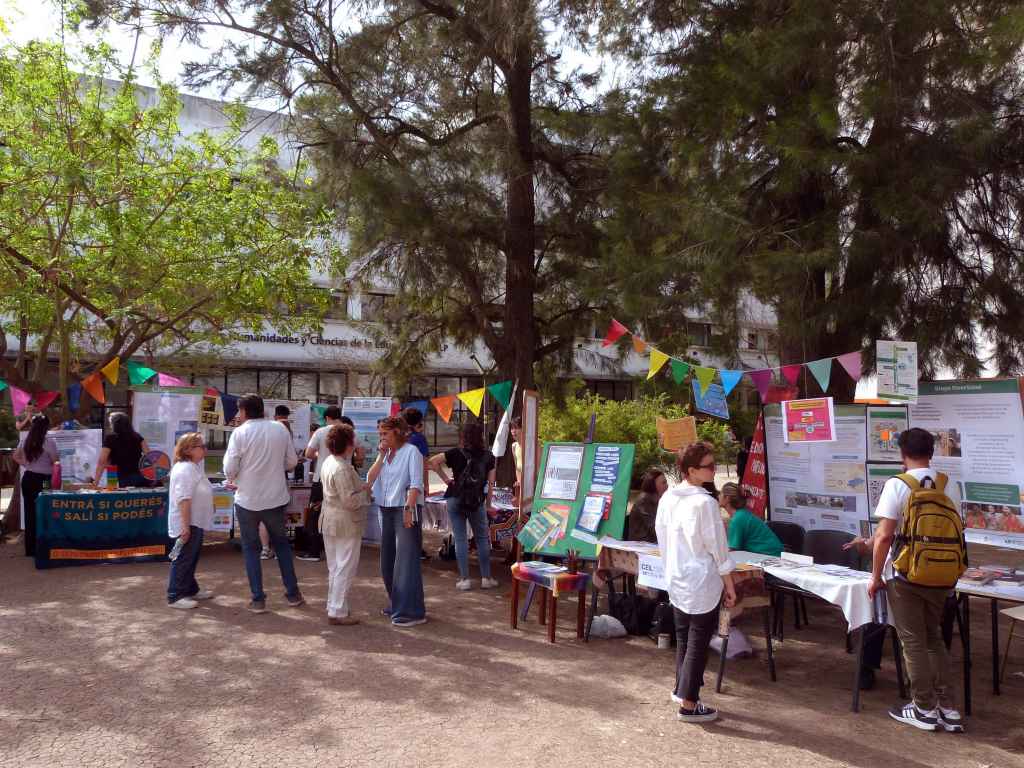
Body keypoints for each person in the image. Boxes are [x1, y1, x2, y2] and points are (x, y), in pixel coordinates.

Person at [862, 428, 964, 732]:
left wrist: (875, 576)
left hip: (906, 574)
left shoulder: (898, 484)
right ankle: (948, 708)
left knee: (913, 641)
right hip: (942, 573)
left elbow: (884, 536)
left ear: (903, 454)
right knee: (934, 638)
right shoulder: (949, 484)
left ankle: (923, 708)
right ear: (931, 452)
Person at [656, 442, 736, 724]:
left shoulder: (669, 498)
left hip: (677, 577)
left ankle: (683, 692)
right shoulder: (705, 503)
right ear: (691, 470)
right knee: (697, 643)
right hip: (700, 581)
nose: (714, 470)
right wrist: (730, 584)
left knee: (685, 639)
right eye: (709, 466)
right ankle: (689, 703)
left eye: (714, 464)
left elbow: (662, 538)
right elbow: (718, 548)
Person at [223, 393, 304, 613]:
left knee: (251, 549)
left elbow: (229, 469)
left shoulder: (239, 433)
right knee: (282, 546)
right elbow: (292, 462)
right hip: (275, 498)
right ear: (263, 409)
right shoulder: (279, 429)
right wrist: (274, 466)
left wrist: (238, 475)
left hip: (247, 499)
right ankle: (293, 594)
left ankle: (258, 599)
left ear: (243, 411)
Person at [366, 416, 426, 627]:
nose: (381, 437)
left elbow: (416, 483)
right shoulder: (384, 455)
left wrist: (409, 509)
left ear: (398, 432)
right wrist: (381, 455)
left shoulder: (411, 452)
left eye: (385, 433)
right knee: (388, 561)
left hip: (404, 508)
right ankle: (397, 602)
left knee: (406, 561)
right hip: (385, 509)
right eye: (380, 434)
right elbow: (370, 479)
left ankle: (411, 612)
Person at [427, 421, 499, 590]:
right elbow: (491, 484)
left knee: (460, 538)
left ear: (463, 437)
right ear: (481, 437)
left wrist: (446, 480)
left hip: (455, 497)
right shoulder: (489, 456)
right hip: (476, 501)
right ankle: (486, 578)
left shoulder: (455, 453)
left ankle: (464, 580)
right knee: (482, 539)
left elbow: (432, 462)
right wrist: (488, 504)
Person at [319, 423, 370, 625]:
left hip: (331, 519)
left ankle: (335, 606)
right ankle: (337, 610)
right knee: (344, 567)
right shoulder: (341, 468)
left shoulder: (329, 462)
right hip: (345, 522)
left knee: (336, 567)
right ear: (348, 445)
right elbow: (349, 501)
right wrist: (366, 494)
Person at [166, 433, 215, 610]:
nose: (205, 449)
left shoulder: (193, 467)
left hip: (195, 520)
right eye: (201, 446)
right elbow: (183, 499)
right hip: (188, 521)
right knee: (184, 558)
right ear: (188, 449)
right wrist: (185, 526)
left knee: (191, 557)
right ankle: (175, 595)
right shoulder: (185, 469)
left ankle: (190, 589)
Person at [299, 405, 345, 562]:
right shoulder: (350, 431)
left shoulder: (320, 432)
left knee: (315, 514)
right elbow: (360, 453)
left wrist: (321, 455)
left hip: (322, 478)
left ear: (327, 418)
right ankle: (338, 550)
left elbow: (308, 453)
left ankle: (314, 551)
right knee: (340, 512)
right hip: (343, 478)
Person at [13, 414, 58, 557]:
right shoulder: (49, 442)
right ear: (46, 427)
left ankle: (30, 549)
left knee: (29, 512)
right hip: (44, 480)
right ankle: (43, 546)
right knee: (44, 512)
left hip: (28, 478)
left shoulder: (26, 440)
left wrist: (27, 465)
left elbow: (15, 456)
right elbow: (55, 461)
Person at [721, 483, 782, 556]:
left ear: (727, 498)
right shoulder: (741, 514)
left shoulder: (738, 518)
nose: (718, 496)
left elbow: (733, 551)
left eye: (720, 493)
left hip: (770, 556)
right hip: (770, 554)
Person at [403, 406, 432, 562]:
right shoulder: (419, 439)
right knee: (415, 519)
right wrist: (426, 485)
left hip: (400, 483)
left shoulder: (400, 437)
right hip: (415, 484)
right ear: (419, 422)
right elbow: (424, 463)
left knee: (402, 517)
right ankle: (416, 551)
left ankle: (406, 549)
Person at [94, 412, 151, 488]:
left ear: (114, 425)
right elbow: (149, 456)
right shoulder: (137, 437)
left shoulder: (110, 438)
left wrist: (96, 482)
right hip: (139, 477)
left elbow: (102, 461)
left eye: (110, 424)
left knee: (116, 494)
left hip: (116, 477)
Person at [628, 469, 667, 543]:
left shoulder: (658, 499)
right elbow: (655, 528)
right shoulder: (644, 501)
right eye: (663, 483)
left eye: (666, 482)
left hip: (650, 541)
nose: (667, 486)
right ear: (653, 485)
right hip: (641, 544)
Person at [510, 416, 524, 497]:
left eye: (516, 428)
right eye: (512, 428)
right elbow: (517, 469)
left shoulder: (533, 446)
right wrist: (519, 482)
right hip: (522, 488)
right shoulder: (514, 446)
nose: (513, 431)